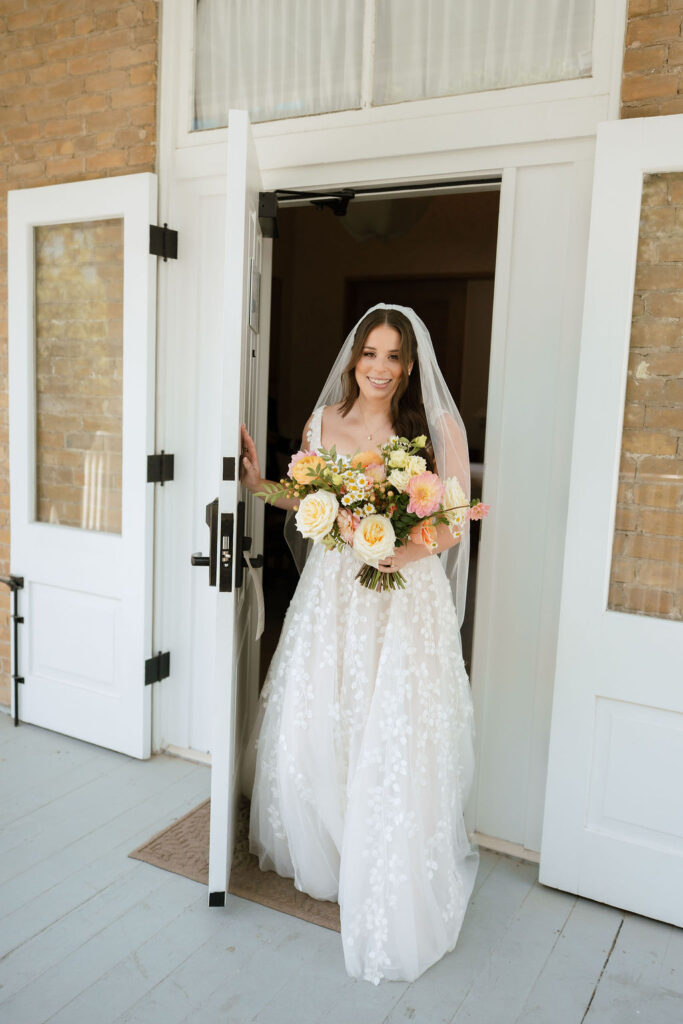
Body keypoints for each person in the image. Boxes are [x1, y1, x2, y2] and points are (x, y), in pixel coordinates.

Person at [239, 303, 479, 986]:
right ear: (353, 359)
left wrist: (397, 553)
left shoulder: (435, 428)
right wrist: (260, 487)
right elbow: (310, 500)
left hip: (400, 591)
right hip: (333, 588)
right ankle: (330, 848)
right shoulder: (325, 422)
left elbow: (454, 523)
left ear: (409, 367)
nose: (377, 368)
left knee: (391, 723)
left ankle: (385, 855)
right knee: (322, 710)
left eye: (392, 357)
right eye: (368, 354)